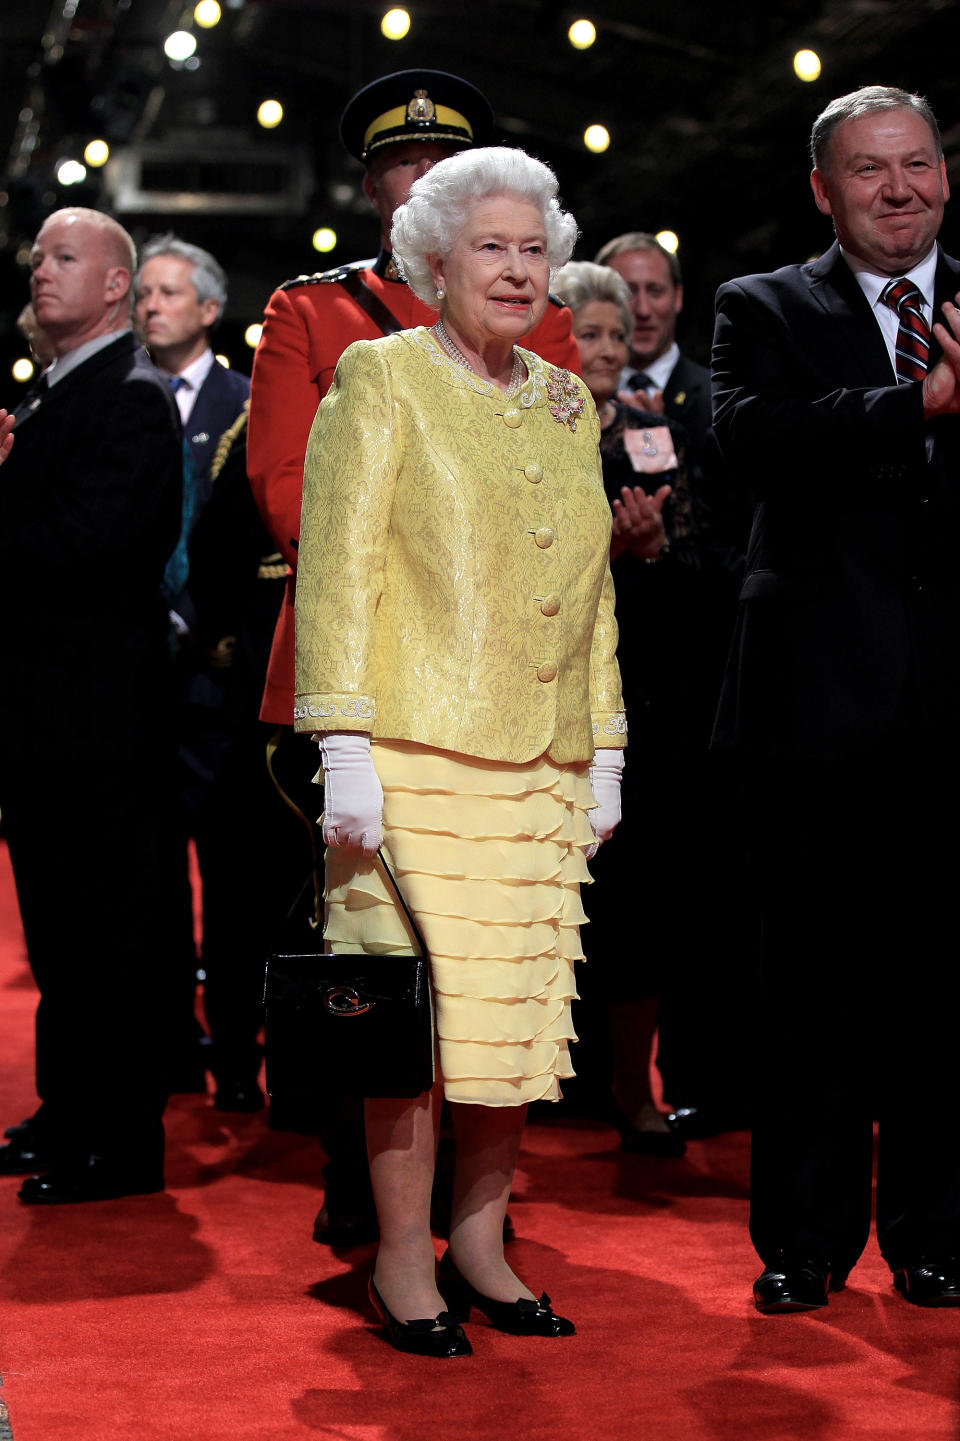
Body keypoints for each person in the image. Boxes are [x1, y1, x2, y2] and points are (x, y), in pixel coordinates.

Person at [294, 146, 625, 1356]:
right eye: (491, 245)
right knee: (411, 1031)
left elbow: (587, 591)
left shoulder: (565, 396)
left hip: (537, 762)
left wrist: (605, 751)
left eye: (533, 248)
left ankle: (481, 1247)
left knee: (508, 1023)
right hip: (408, 756)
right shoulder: (378, 377)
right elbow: (337, 571)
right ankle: (398, 1261)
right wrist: (342, 747)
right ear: (433, 257)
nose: (517, 266)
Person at [248, 67, 581, 1243]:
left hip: (506, 695)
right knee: (379, 959)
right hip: (368, 682)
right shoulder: (314, 313)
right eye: (409, 168)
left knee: (495, 966)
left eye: (455, 165)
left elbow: (556, 508)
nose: (431, 180)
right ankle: (368, 1198)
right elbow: (294, 497)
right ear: (387, 194)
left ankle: (472, 1221)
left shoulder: (537, 318)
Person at [712, 84, 960, 1312]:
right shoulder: (760, 307)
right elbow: (751, 438)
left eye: (917, 164)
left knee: (943, 987)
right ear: (825, 189)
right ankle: (803, 1245)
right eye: (871, 170)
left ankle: (936, 1232)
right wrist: (912, 407)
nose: (899, 188)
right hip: (814, 705)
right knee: (809, 987)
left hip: (956, 706)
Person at [0, 206, 182, 1202]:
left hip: (101, 717)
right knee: (61, 933)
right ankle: (70, 1111)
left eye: (64, 257)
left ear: (117, 284)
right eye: (37, 258)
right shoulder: (65, 390)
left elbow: (86, 551)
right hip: (50, 712)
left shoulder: (128, 396)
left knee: (111, 932)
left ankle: (118, 1138)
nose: (41, 272)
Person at [595, 233, 751, 1140]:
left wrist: (654, 555)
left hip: (676, 684)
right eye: (609, 315)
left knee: (673, 899)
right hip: (579, 685)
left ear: (678, 300)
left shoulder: (697, 403)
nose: (628, 328)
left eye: (648, 300)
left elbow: (725, 543)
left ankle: (687, 1077)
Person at [135, 235, 255, 1107]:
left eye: (168, 292)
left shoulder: (249, 405)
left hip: (219, 671)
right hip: (137, 672)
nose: (150, 306)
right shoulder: (119, 401)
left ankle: (237, 1051)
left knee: (233, 873)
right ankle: (166, 1038)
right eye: (141, 293)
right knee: (147, 876)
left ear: (210, 309)